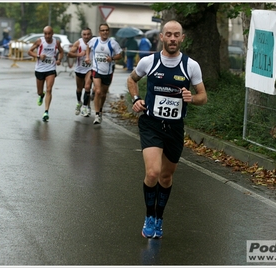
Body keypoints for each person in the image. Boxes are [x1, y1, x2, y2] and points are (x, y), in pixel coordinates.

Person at [126, 20, 207, 239]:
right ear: (161, 37)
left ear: (182, 38)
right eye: (168, 34)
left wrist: (193, 98)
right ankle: (149, 216)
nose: (172, 38)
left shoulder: (191, 66)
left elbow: (203, 96)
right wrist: (136, 99)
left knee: (166, 177)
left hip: (174, 128)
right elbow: (131, 80)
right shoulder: (149, 61)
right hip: (151, 124)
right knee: (152, 173)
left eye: (176, 35)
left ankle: (159, 218)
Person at [85, 23, 122, 125]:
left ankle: (100, 109)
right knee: (97, 91)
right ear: (99, 32)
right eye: (103, 30)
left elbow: (120, 55)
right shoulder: (94, 40)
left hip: (108, 72)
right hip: (96, 70)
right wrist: (87, 57)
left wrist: (112, 58)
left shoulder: (113, 43)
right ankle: (97, 114)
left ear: (108, 31)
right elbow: (88, 46)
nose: (105, 32)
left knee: (103, 93)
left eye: (106, 30)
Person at [27, 26, 64, 122]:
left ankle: (46, 111)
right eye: (45, 33)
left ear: (52, 33)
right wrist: (39, 56)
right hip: (40, 69)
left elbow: (61, 51)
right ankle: (41, 95)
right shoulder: (39, 41)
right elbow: (29, 51)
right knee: (40, 91)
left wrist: (59, 59)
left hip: (50, 69)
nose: (47, 36)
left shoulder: (56, 42)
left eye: (49, 33)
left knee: (49, 89)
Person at [68, 27, 93, 117]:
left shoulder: (94, 42)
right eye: (84, 34)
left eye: (88, 34)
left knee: (87, 87)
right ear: (81, 35)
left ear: (91, 34)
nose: (86, 36)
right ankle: (79, 102)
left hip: (90, 68)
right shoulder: (78, 42)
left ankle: (85, 107)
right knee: (79, 89)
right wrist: (78, 54)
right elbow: (69, 54)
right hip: (79, 69)